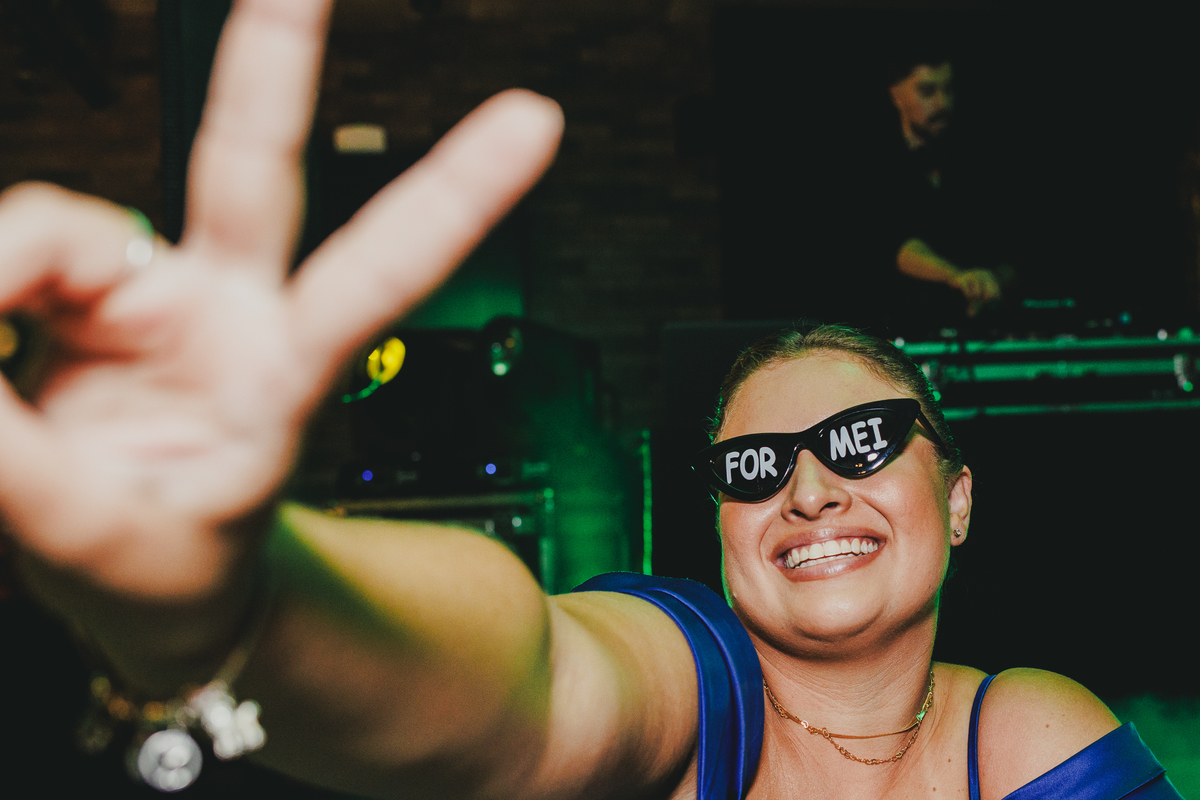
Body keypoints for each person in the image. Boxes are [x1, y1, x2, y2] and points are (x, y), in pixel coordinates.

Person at [0, 2, 1181, 798]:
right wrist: (243, 593)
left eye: (862, 440)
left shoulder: (1030, 733)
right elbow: (532, 679)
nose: (811, 487)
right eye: (756, 465)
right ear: (718, 526)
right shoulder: (701, 689)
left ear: (959, 495)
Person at [882, 45, 1010, 321]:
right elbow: (893, 243)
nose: (943, 104)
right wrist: (958, 276)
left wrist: (990, 282)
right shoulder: (878, 163)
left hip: (976, 324)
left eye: (949, 90)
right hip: (899, 322)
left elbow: (1009, 245)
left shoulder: (979, 158)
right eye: (927, 91)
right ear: (896, 94)